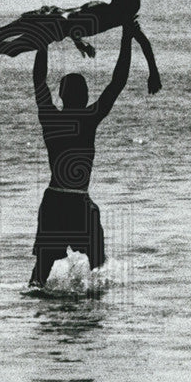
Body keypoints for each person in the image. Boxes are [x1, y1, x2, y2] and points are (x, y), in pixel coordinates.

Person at [29, 22, 135, 287]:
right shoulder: (89, 119)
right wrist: (126, 37)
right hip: (78, 203)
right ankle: (92, 305)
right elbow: (118, 81)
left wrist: (43, 41)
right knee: (99, 265)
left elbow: (38, 80)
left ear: (61, 96)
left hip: (55, 201)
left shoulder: (50, 118)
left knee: (41, 269)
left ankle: (35, 309)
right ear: (85, 95)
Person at [0, 0, 162, 95]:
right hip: (50, 19)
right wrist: (77, 40)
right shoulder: (101, 10)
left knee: (10, 48)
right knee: (3, 36)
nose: (129, 18)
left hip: (55, 27)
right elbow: (70, 19)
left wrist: (154, 73)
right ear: (119, 7)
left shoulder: (120, 18)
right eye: (128, 13)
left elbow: (143, 42)